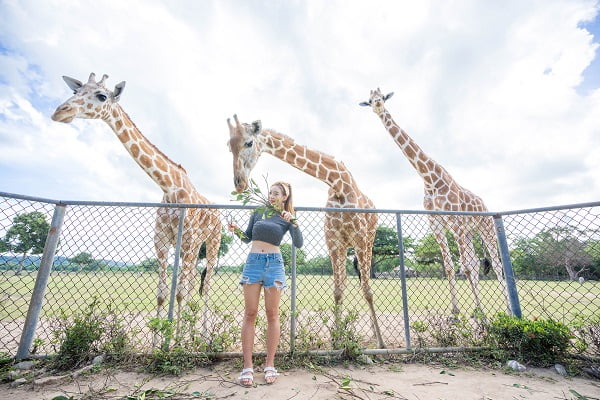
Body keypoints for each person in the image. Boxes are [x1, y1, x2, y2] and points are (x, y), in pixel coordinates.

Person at [228, 181, 303, 387]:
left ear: (285, 197)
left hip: (275, 265)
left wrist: (294, 222)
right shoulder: (258, 211)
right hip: (253, 263)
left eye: (276, 193)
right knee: (250, 313)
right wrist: (236, 231)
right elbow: (248, 237)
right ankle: (247, 367)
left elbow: (298, 243)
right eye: (270, 192)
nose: (271, 195)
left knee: (272, 314)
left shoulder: (286, 217)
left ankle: (270, 364)